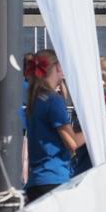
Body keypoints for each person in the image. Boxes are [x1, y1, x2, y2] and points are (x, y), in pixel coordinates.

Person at [24, 50, 85, 203]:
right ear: (57, 67)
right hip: (54, 179)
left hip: (37, 180)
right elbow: (73, 144)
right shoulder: (53, 100)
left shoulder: (37, 97)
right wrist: (94, 129)